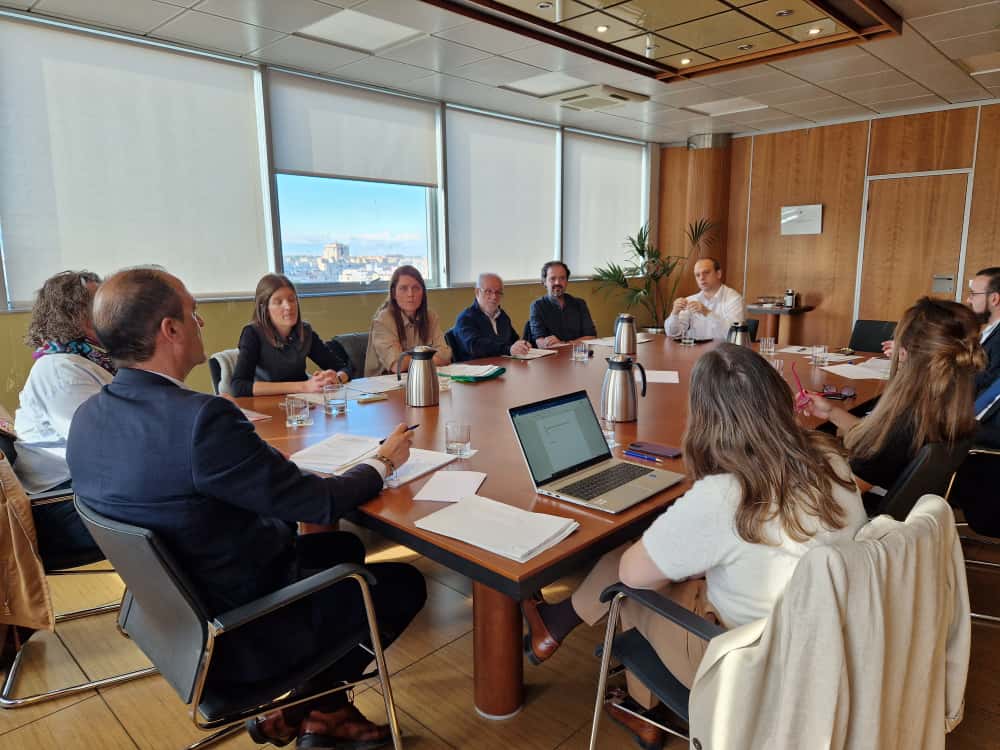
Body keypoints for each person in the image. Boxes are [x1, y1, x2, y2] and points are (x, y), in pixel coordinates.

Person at [66, 268, 425, 748]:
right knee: (403, 585)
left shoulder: (88, 417)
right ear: (169, 330)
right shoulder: (202, 420)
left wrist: (266, 475)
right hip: (243, 633)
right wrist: (384, 461)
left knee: (341, 548)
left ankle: (322, 712)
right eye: (193, 313)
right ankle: (311, 708)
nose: (200, 323)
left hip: (175, 621)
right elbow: (318, 502)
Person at [521, 344, 865, 749]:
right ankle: (557, 628)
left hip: (748, 666)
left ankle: (640, 709)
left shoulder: (725, 494)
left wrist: (678, 553)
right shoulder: (830, 459)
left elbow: (632, 575)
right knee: (664, 566)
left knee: (628, 583)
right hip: (828, 645)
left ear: (705, 418)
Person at [804, 297, 984, 497]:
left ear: (904, 353)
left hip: (856, 505)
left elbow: (839, 497)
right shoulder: (944, 410)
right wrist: (831, 412)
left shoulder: (904, 425)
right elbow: (879, 441)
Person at [13, 271, 112, 566]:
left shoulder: (85, 360)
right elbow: (101, 450)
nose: (113, 309)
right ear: (74, 314)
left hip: (77, 491)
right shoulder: (61, 371)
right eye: (101, 303)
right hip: (60, 507)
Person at [230, 274, 352, 397]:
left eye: (292, 299)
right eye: (278, 302)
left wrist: (336, 378)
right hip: (266, 402)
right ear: (265, 308)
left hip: (301, 402)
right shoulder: (252, 333)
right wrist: (304, 386)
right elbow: (239, 386)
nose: (288, 306)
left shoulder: (305, 331)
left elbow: (346, 368)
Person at [364, 265, 451, 376]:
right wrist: (431, 358)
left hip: (421, 377)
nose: (410, 294)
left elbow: (445, 356)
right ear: (394, 293)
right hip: (384, 383)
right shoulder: (383, 320)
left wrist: (412, 360)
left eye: (416, 288)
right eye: (403, 288)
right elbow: (398, 365)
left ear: (423, 293)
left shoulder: (430, 317)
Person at [453, 273, 531, 360]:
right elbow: (475, 347)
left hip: (503, 364)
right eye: (488, 291)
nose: (494, 297)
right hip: (475, 366)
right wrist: (508, 350)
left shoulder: (502, 316)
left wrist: (521, 345)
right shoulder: (466, 318)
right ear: (477, 292)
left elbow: (513, 340)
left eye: (498, 292)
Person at [664, 257, 744, 341]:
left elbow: (734, 334)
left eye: (706, 273)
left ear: (718, 274)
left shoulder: (734, 299)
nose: (701, 278)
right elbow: (673, 333)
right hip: (694, 348)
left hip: (723, 349)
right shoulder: (691, 300)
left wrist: (707, 312)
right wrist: (675, 313)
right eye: (697, 275)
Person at [528, 261, 597, 348]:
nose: (557, 282)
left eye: (562, 278)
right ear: (544, 282)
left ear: (567, 281)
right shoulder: (537, 306)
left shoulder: (579, 304)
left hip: (578, 354)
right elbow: (540, 342)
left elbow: (591, 337)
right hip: (552, 356)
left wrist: (564, 344)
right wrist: (573, 343)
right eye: (552, 278)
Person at [968, 267, 1000, 394]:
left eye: (973, 294)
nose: (968, 300)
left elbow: (988, 384)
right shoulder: (989, 331)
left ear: (994, 299)